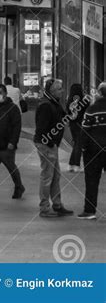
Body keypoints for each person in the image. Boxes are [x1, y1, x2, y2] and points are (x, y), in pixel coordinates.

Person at [33, 78, 73, 218]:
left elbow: (64, 118)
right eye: (59, 89)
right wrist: (49, 143)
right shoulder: (46, 105)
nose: (62, 91)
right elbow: (41, 127)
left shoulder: (54, 103)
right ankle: (44, 208)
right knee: (47, 176)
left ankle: (57, 204)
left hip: (51, 144)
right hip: (46, 144)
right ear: (52, 91)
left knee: (55, 176)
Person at [78, 81, 106, 220]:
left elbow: (85, 131)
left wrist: (82, 148)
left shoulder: (91, 109)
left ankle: (90, 211)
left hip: (93, 151)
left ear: (100, 93)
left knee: (92, 181)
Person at [66, 83, 89, 172]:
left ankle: (71, 164)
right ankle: (75, 164)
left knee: (76, 143)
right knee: (78, 144)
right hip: (81, 123)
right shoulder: (84, 100)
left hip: (72, 124)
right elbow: (87, 109)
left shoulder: (69, 100)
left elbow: (68, 112)